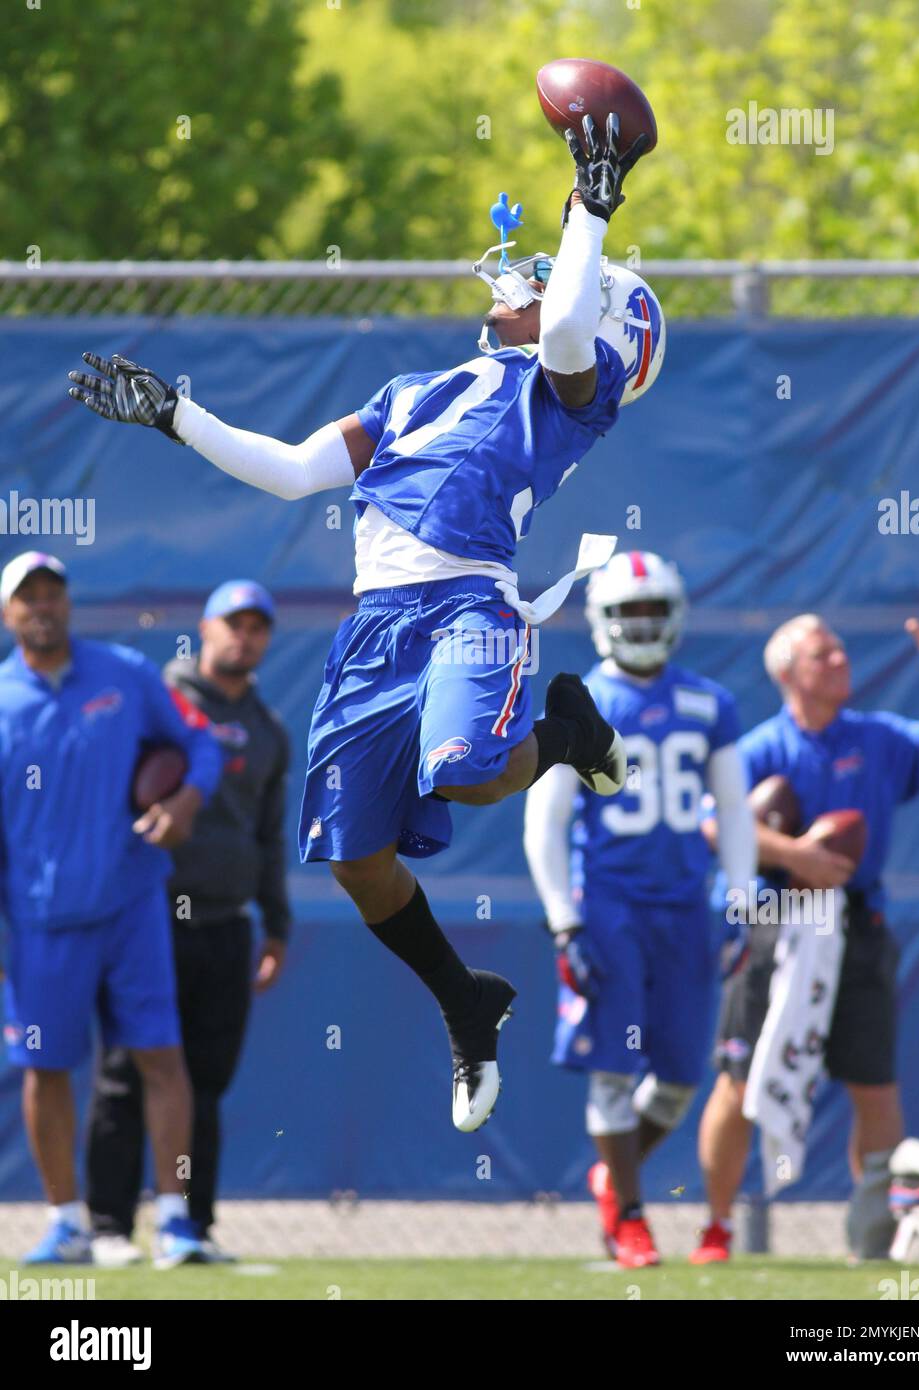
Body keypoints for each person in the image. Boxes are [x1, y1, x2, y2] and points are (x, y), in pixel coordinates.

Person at [67, 115, 665, 1133]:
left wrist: (592, 206)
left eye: (545, 273)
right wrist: (176, 415)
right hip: (377, 624)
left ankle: (566, 730)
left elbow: (567, 323)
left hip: (467, 600)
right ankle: (462, 1000)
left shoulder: (572, 389)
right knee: (354, 857)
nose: (510, 281)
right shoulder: (417, 390)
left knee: (471, 767)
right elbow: (298, 468)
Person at [692, 602, 919, 1263]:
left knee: (871, 1085)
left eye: (841, 649)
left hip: (856, 923)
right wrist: (795, 857)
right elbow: (714, 823)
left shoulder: (872, 737)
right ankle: (716, 1227)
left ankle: (873, 1236)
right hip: (775, 924)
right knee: (738, 1080)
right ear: (789, 672)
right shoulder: (762, 745)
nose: (841, 659)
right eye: (824, 653)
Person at [524, 551, 755, 1267]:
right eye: (629, 612)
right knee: (614, 1069)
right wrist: (563, 916)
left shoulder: (710, 702)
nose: (642, 624)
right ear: (602, 622)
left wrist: (740, 899)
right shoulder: (580, 704)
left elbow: (736, 810)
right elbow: (545, 820)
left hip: (686, 907)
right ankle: (628, 1213)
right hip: (612, 908)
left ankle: (609, 1176)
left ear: (675, 615)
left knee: (683, 1073)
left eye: (653, 610)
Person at [0, 551, 222, 1266]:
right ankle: (68, 1223)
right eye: (26, 597)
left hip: (132, 905)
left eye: (51, 594)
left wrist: (186, 800)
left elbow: (200, 741)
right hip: (39, 923)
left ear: (68, 603)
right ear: (8, 615)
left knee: (160, 1057)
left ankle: (176, 1223)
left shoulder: (125, 672)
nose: (41, 607)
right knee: (45, 1068)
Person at [86, 579, 291, 1266]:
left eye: (256, 626)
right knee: (124, 1071)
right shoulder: (160, 708)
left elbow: (268, 838)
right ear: (203, 629)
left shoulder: (268, 730)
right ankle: (109, 1224)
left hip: (226, 925)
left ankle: (190, 1226)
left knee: (204, 1081)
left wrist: (277, 926)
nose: (244, 636)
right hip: (146, 919)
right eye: (232, 623)